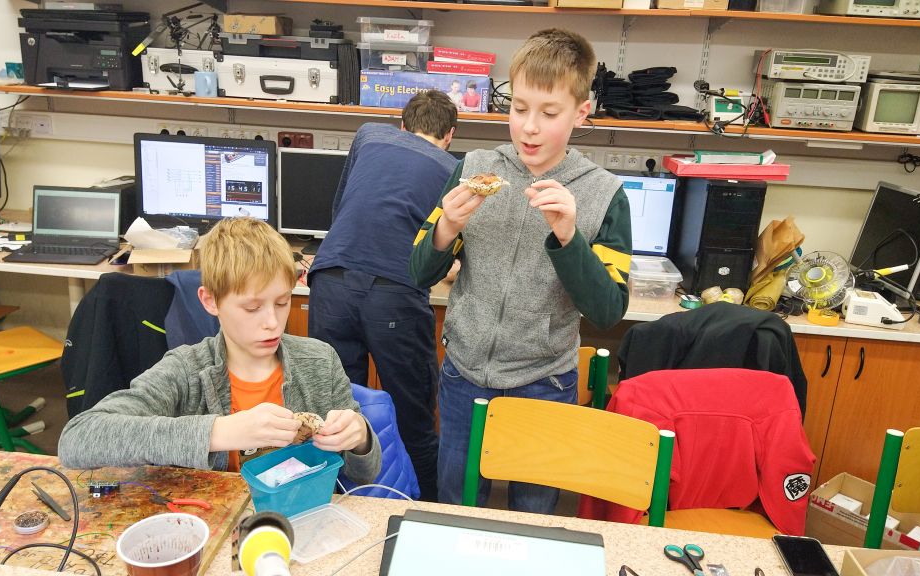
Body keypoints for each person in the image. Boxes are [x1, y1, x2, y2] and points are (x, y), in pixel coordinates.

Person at [409, 28, 632, 513]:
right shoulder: (474, 168)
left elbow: (608, 310)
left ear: (581, 113)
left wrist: (570, 238)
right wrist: (447, 227)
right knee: (457, 506)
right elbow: (418, 272)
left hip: (545, 384)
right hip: (464, 375)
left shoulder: (604, 194)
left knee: (535, 513)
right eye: (519, 108)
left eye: (549, 114)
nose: (529, 127)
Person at [59, 217, 381, 486]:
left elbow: (365, 473)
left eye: (282, 302)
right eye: (252, 308)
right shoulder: (186, 372)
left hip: (302, 517)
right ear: (210, 301)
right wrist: (218, 432)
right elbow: (78, 439)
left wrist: (360, 437)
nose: (272, 323)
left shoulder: (320, 362)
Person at [308, 90, 459, 502]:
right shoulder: (454, 170)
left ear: (403, 126)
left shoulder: (370, 134)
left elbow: (344, 208)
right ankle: (424, 514)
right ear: (449, 135)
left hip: (331, 277)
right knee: (414, 421)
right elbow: (439, 252)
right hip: (395, 290)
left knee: (333, 415)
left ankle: (334, 507)